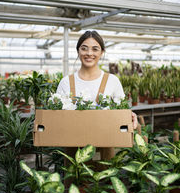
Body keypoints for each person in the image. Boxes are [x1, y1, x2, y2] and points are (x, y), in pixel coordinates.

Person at [56, 30, 138, 162]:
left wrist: (130, 115)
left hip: (105, 151)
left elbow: (121, 111)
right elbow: (57, 117)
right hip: (73, 155)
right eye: (84, 48)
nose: (89, 53)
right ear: (78, 51)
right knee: (73, 182)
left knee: (104, 181)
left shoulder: (112, 81)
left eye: (95, 49)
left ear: (102, 52)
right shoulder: (66, 82)